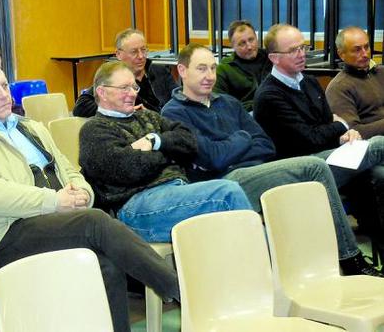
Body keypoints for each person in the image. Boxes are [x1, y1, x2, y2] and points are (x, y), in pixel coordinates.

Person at [0, 60, 180, 332]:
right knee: (95, 222)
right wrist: (54, 201)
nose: (4, 95)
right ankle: (178, 288)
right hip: (6, 234)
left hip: (57, 220)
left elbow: (68, 168)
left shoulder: (30, 127)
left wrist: (82, 194)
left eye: (5, 86)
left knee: (108, 264)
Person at [161, 43, 381, 276]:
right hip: (225, 183)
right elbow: (213, 159)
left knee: (376, 146)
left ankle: (321, 267)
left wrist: (232, 145)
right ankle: (350, 260)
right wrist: (243, 138)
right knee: (314, 167)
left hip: (262, 170)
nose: (210, 76)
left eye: (213, 68)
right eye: (202, 69)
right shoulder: (173, 112)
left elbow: (265, 146)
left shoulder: (228, 103)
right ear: (183, 71)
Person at [78, 60, 252, 242]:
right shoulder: (94, 130)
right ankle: (263, 265)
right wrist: (170, 153)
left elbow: (189, 141)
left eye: (134, 87)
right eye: (124, 88)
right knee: (227, 193)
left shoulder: (148, 116)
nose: (132, 94)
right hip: (136, 207)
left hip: (176, 191)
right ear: (102, 92)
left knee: (226, 218)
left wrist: (155, 141)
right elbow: (130, 169)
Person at [254, 24, 384, 260]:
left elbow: (326, 127)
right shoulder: (269, 95)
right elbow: (309, 140)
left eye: (303, 47)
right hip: (301, 168)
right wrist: (342, 127)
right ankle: (352, 260)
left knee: (374, 176)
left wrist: (345, 133)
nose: (302, 54)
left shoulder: (309, 82)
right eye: (293, 50)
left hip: (331, 157)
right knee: (377, 148)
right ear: (274, 58)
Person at [73, 29, 179, 116]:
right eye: (134, 52)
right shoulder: (114, 78)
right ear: (118, 54)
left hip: (167, 123)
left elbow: (177, 99)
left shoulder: (160, 71)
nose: (141, 56)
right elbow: (81, 107)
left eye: (143, 50)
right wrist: (123, 108)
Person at [326, 26, 384, 139]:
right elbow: (352, 131)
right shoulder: (338, 88)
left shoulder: (381, 72)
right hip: (371, 145)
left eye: (366, 47)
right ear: (341, 54)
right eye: (357, 50)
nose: (365, 54)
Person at [214, 20, 273, 112]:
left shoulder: (272, 58)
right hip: (244, 116)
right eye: (242, 43)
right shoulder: (224, 69)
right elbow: (218, 103)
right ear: (232, 46)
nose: (249, 47)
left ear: (256, 38)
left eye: (251, 40)